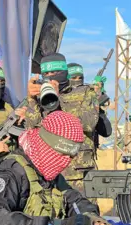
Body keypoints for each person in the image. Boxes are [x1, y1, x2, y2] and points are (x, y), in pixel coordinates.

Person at [0, 111, 111, 225]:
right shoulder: (11, 172)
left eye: (70, 157)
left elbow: (74, 200)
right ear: (47, 145)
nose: (65, 162)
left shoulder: (48, 172)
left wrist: (90, 217)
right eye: (62, 155)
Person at [25, 53, 99, 194]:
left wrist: (58, 102)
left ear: (64, 72)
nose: (51, 76)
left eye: (55, 72)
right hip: (47, 170)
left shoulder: (85, 92)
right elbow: (31, 128)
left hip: (77, 173)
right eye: (46, 73)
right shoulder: (41, 94)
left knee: (85, 214)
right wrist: (32, 100)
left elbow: (90, 123)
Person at [67, 63, 112, 163]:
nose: (77, 81)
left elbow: (106, 131)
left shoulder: (88, 98)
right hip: (64, 163)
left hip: (87, 163)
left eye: (80, 78)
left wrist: (96, 104)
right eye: (74, 78)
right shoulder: (60, 99)